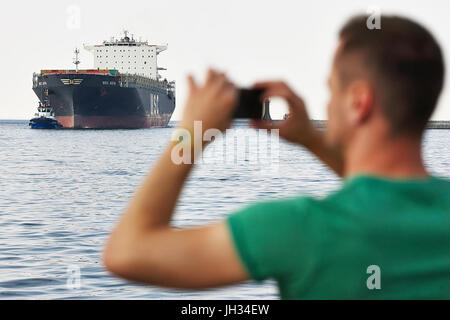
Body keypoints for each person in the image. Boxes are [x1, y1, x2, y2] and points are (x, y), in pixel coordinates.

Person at [103, 15, 450, 299]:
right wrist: (311, 140)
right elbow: (385, 199)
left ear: (358, 102)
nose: (326, 103)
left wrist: (192, 134)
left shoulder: (300, 228)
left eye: (331, 90)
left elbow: (127, 253)